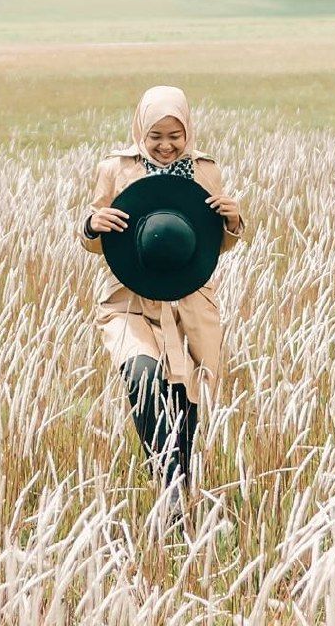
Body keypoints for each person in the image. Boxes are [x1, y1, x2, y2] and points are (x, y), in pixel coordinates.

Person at [77, 85, 248, 529]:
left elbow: (215, 245)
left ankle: (180, 489)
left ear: (187, 130)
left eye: (175, 134)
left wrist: (234, 221)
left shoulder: (205, 171)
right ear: (140, 131)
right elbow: (95, 239)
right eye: (156, 135)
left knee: (183, 397)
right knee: (141, 375)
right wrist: (92, 225)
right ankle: (169, 481)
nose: (166, 145)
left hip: (188, 301)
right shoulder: (115, 168)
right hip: (129, 299)